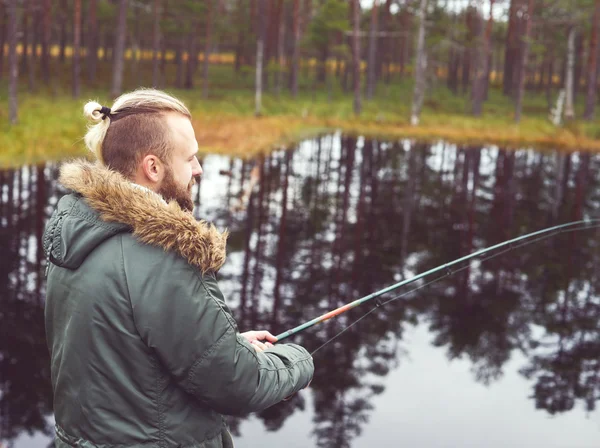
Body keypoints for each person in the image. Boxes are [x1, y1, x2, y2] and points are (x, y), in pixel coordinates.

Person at [43, 88, 314, 448]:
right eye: (190, 159)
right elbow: (238, 384)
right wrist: (298, 359)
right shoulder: (162, 256)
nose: (199, 170)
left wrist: (223, 344)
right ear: (152, 167)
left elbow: (123, 353)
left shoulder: (77, 233)